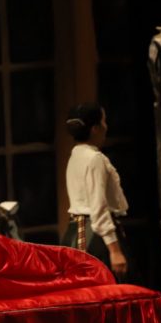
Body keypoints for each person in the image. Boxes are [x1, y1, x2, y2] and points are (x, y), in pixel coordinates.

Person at [61, 103, 130, 281]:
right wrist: (115, 251)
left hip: (77, 232)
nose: (106, 127)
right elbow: (98, 209)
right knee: (110, 291)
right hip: (94, 237)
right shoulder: (94, 159)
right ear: (95, 129)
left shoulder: (76, 154)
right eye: (104, 121)